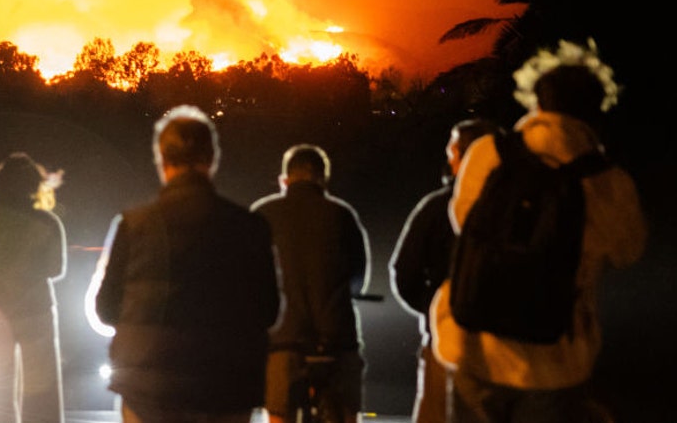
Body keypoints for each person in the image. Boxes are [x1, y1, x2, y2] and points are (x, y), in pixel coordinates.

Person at [431, 39, 647, 423]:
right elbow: (627, 251)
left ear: (536, 101)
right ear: (598, 111)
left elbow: (464, 221)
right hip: (554, 360)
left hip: (474, 346)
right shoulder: (609, 183)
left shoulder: (488, 153)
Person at [90, 105, 280, 423]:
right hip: (225, 390)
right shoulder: (250, 227)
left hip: (149, 391)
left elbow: (105, 309)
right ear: (212, 159)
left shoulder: (133, 225)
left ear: (162, 160)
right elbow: (269, 311)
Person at [389, 119, 501, 423]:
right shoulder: (519, 205)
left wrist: (432, 309)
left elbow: (404, 273)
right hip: (509, 349)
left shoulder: (437, 208)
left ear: (463, 156)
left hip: (446, 346)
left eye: (452, 152)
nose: (449, 160)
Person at [250, 144, 371, 423]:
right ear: (323, 180)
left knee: (279, 413)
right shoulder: (342, 215)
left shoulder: (262, 215)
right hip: (336, 338)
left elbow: (251, 280)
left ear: (285, 180)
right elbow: (358, 277)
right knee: (346, 412)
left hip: (282, 339)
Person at [0, 153, 67, 423]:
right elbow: (56, 268)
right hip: (36, 310)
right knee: (41, 390)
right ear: (33, 186)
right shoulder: (48, 223)